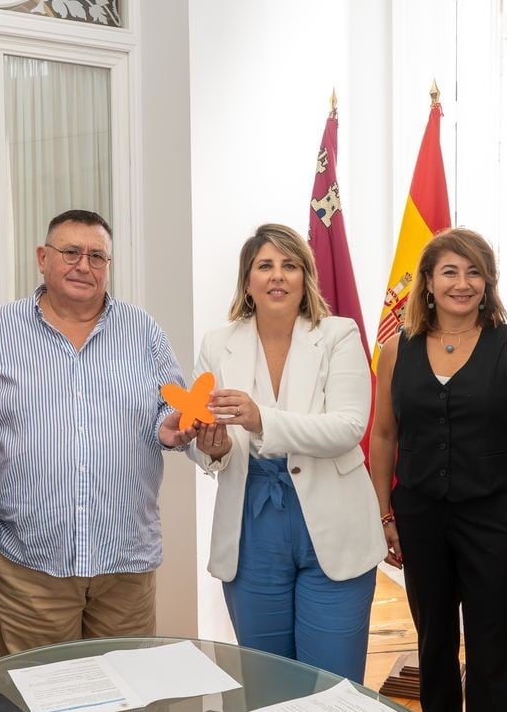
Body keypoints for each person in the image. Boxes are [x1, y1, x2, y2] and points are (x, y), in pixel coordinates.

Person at [0, 209, 197, 655]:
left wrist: (174, 427)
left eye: (97, 256)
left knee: (129, 697)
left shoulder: (143, 331)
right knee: (37, 696)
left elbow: (174, 404)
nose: (83, 266)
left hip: (126, 568)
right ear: (42, 257)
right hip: (30, 567)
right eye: (70, 252)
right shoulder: (0, 330)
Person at [189, 223, 384, 683]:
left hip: (334, 526)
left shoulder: (339, 334)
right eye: (265, 266)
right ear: (248, 281)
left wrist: (261, 419)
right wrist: (209, 450)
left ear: (305, 278)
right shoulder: (217, 344)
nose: (278, 276)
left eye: (290, 265)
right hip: (251, 527)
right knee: (266, 678)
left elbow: (348, 427)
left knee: (332, 683)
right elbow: (205, 438)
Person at [370, 228, 507, 712]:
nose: (463, 282)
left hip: (496, 520)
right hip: (420, 518)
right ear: (427, 282)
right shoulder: (397, 350)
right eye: (450, 271)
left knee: (493, 652)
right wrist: (384, 515)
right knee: (433, 648)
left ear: (488, 282)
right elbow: (384, 435)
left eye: (475, 272)